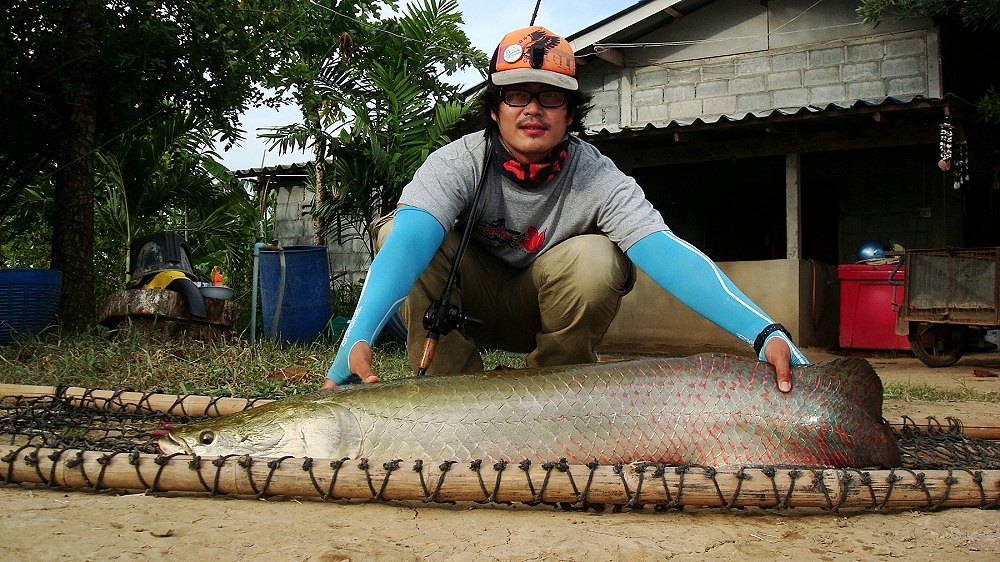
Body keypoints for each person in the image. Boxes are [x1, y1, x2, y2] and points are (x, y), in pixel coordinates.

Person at [322, 25, 809, 391]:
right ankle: (449, 392)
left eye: (551, 97)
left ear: (570, 113)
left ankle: (558, 395)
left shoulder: (598, 176)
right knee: (397, 233)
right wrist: (354, 340)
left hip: (547, 312)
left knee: (598, 258)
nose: (532, 109)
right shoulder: (458, 162)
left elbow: (667, 253)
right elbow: (406, 243)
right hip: (468, 309)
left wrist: (764, 331)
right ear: (495, 109)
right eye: (516, 95)